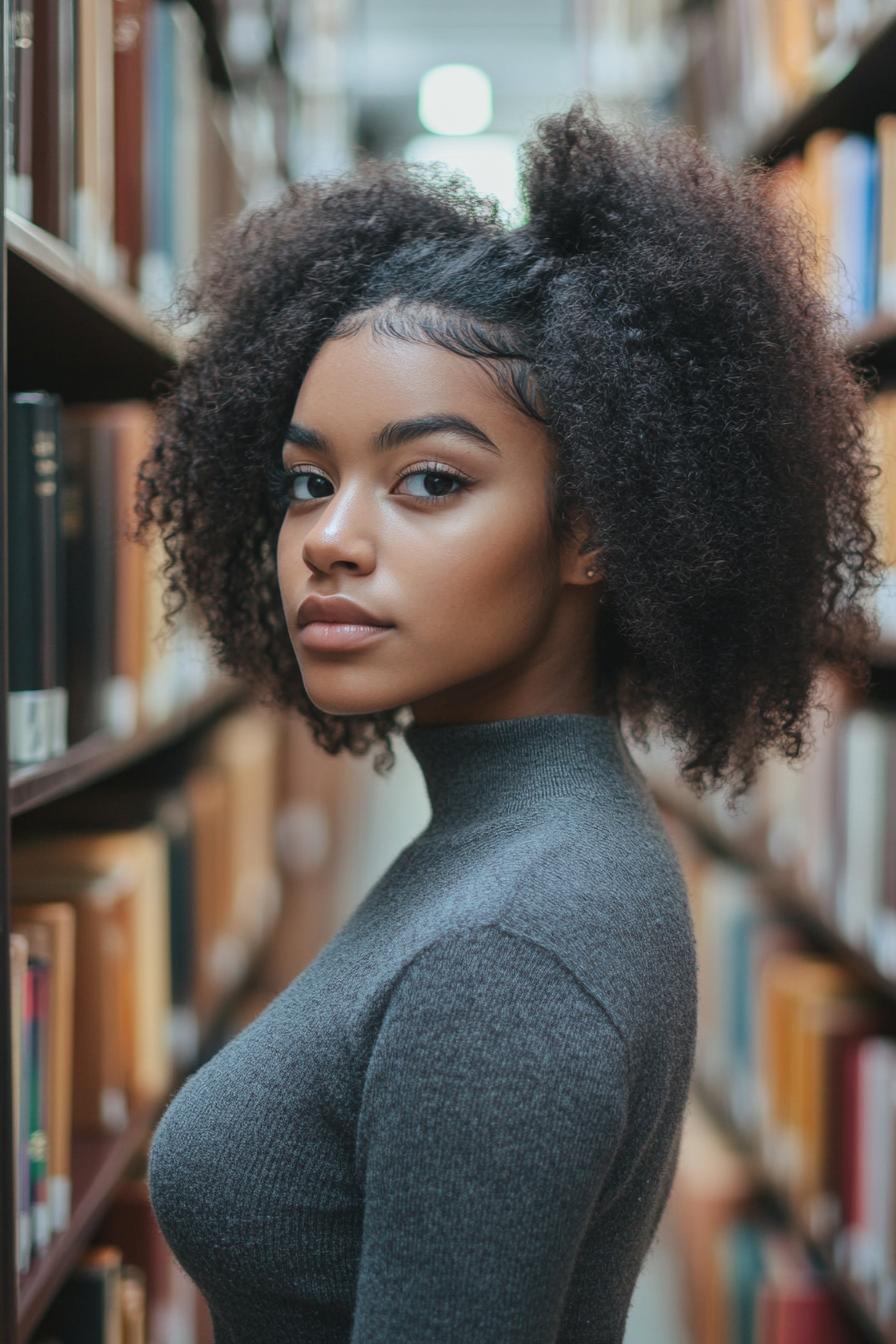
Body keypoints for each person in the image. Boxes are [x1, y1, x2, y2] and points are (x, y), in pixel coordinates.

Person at [140, 96, 882, 1343]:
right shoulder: (535, 843)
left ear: (596, 528)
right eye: (307, 481)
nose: (328, 539)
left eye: (429, 481)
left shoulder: (504, 957)